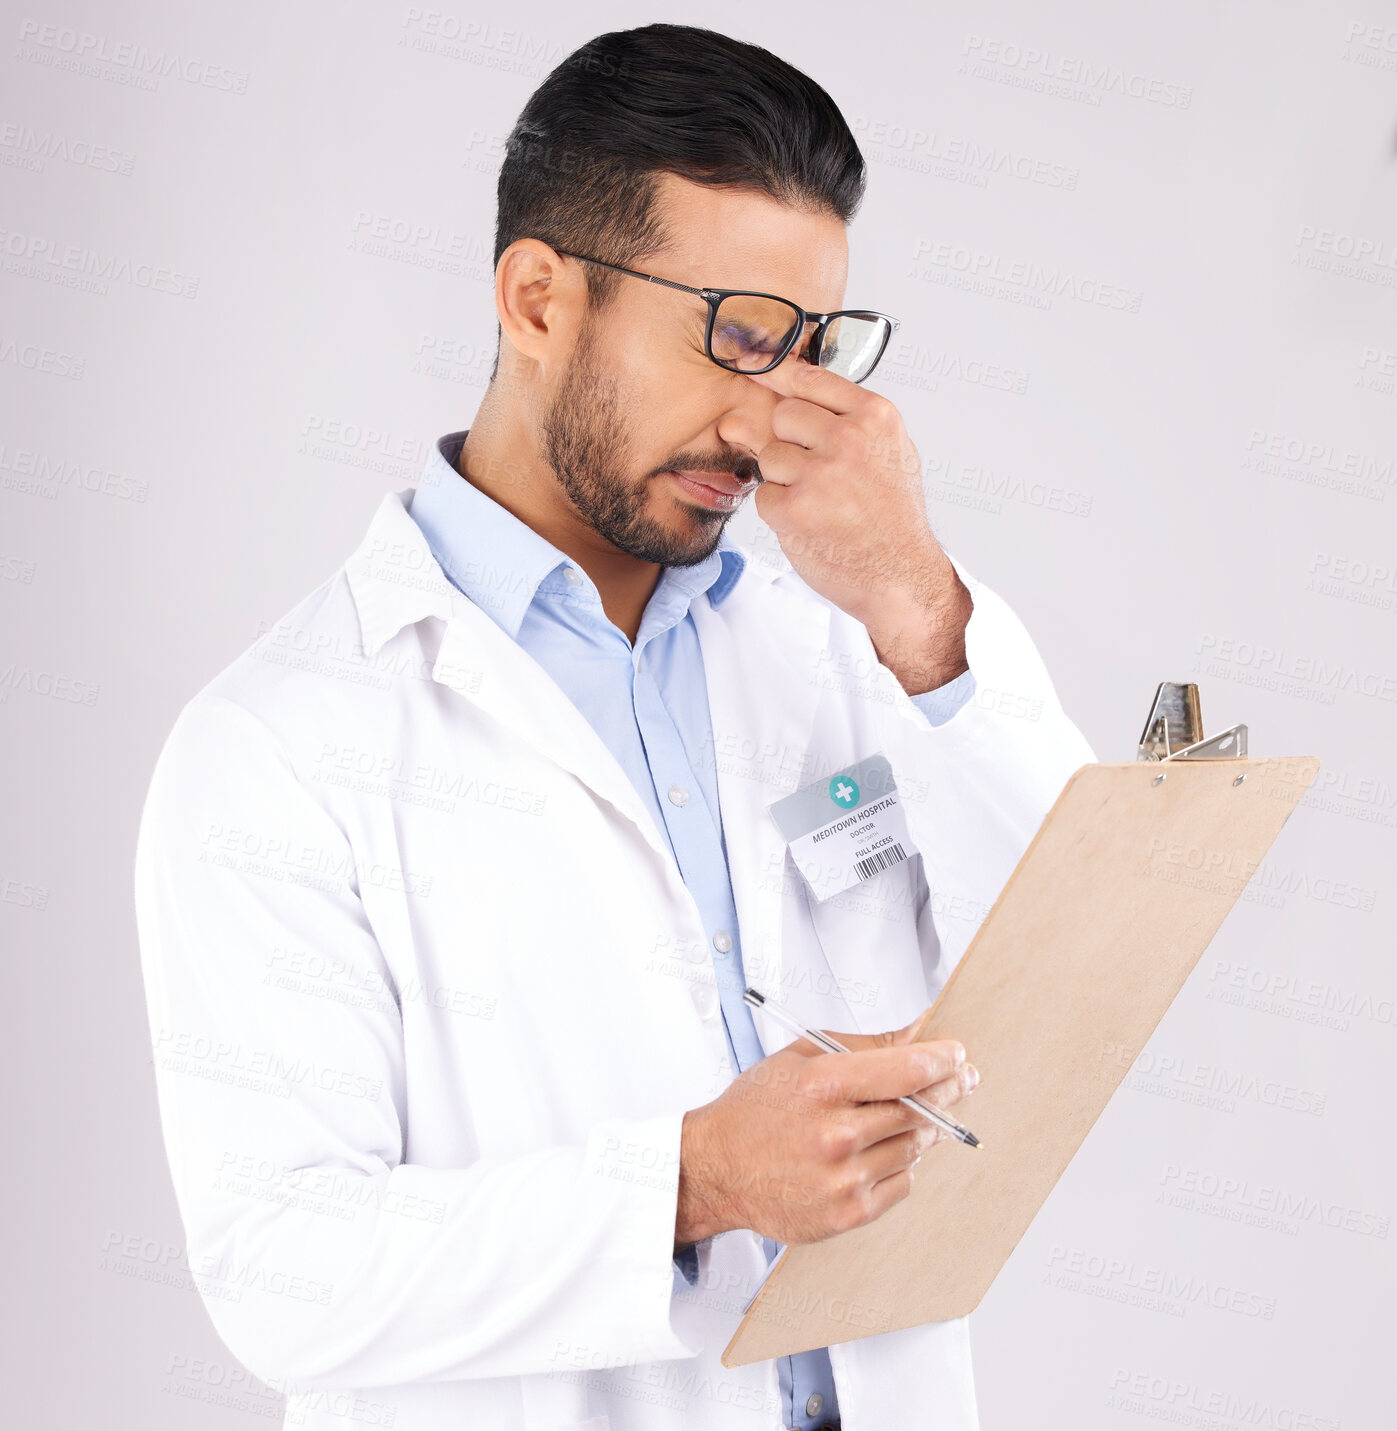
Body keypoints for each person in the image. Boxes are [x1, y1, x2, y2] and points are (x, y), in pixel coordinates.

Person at [134, 23, 1094, 1431]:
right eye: (740, 338)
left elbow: (1078, 955)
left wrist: (912, 601)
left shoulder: (839, 651)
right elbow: (281, 1272)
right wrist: (694, 1180)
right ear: (537, 301)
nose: (776, 414)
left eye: (814, 349)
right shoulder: (282, 744)